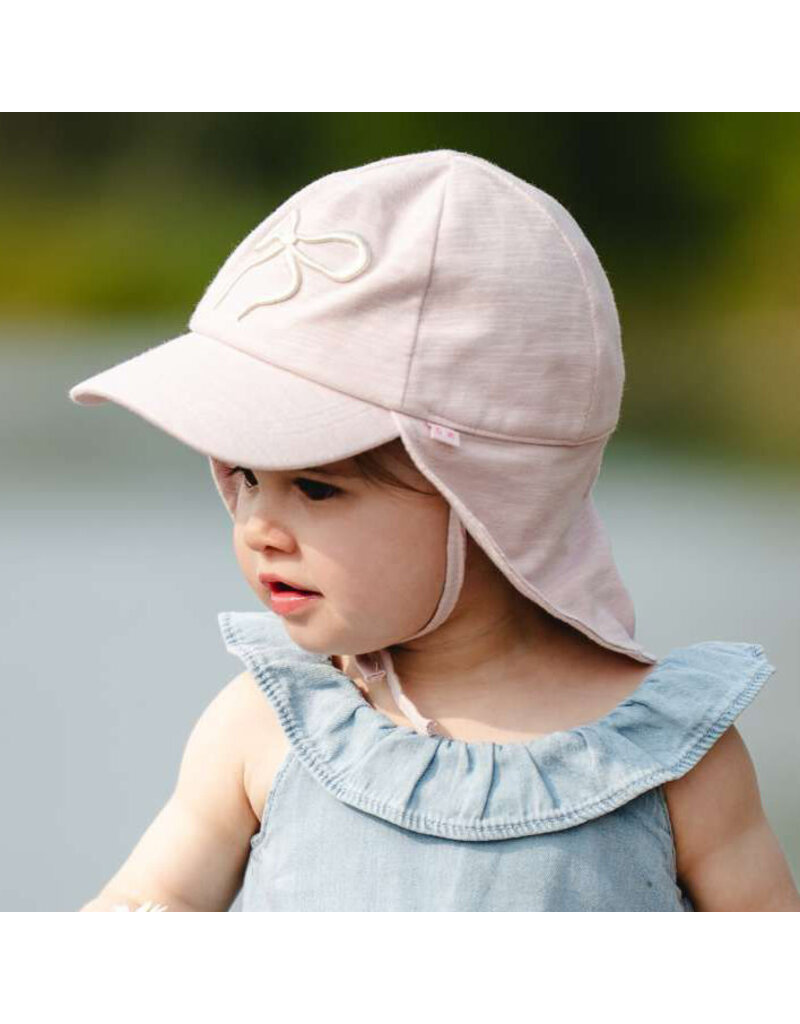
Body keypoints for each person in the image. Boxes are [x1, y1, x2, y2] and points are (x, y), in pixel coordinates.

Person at [70, 149, 800, 911]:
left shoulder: (671, 756)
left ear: (490, 495)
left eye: (316, 487)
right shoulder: (270, 725)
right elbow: (148, 906)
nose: (259, 528)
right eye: (245, 478)